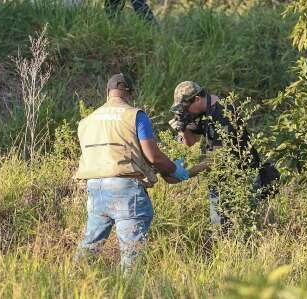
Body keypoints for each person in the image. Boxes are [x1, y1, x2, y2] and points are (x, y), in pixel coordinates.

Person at [74, 73, 190, 269]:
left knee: (89, 248)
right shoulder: (135, 115)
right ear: (130, 93)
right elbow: (153, 156)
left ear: (107, 93)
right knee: (132, 256)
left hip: (95, 190)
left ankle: (72, 284)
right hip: (125, 191)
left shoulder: (86, 121)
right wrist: (176, 170)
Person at [168, 81, 280, 227]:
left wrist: (185, 174)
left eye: (185, 108)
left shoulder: (223, 113)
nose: (185, 111)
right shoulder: (200, 111)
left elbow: (217, 158)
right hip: (220, 178)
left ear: (197, 99)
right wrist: (182, 128)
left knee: (246, 226)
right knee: (220, 228)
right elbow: (191, 142)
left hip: (242, 177)